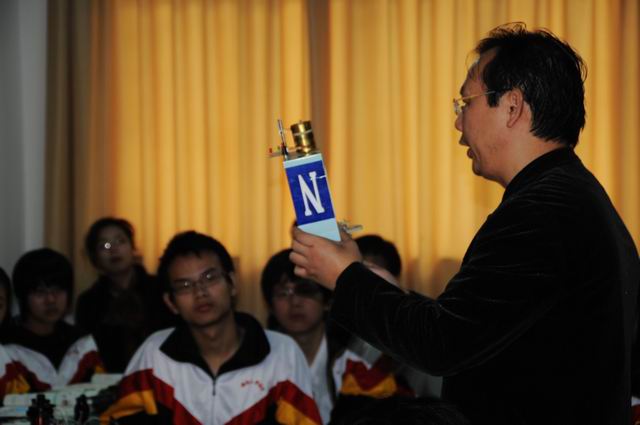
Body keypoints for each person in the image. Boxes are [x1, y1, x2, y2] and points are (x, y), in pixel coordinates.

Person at [290, 23, 640, 425]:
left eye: (465, 103)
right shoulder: (571, 195)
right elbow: (478, 325)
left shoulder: (542, 212)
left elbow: (442, 344)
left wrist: (345, 277)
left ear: (512, 107)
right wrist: (381, 288)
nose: (458, 123)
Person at [103, 231, 322, 424]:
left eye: (209, 278)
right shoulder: (154, 355)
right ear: (171, 302)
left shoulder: (282, 353)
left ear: (232, 283)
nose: (200, 292)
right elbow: (117, 419)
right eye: (185, 285)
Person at [261, 249, 410, 424]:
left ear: (327, 301)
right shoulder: (260, 360)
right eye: (283, 293)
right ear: (270, 306)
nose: (294, 302)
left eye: (305, 291)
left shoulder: (358, 356)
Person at [76, 217, 175, 372]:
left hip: (163, 373)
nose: (113, 249)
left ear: (133, 248)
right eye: (105, 245)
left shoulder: (160, 289)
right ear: (95, 257)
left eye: (120, 241)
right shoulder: (89, 302)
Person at [4, 249, 104, 391]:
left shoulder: (82, 344)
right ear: (23, 296)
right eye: (40, 292)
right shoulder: (7, 348)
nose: (51, 299)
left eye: (58, 290)